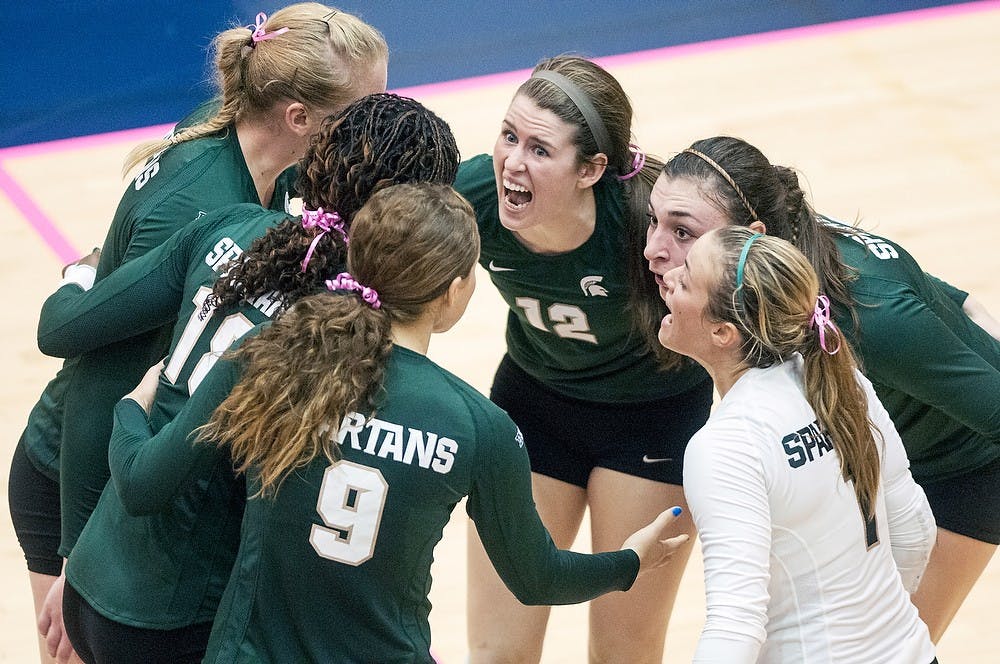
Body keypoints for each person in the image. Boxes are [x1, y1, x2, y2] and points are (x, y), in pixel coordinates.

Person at [103, 182, 691, 663]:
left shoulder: (271, 355)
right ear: (456, 291)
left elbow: (141, 484)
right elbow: (537, 579)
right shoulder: (479, 424)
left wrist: (130, 409)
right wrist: (630, 560)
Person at [10, 5, 388, 661]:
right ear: (299, 118)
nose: (375, 123)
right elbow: (101, 380)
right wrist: (80, 561)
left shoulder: (257, 151)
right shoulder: (201, 203)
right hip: (78, 470)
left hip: (140, 470)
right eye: (366, 108)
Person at [33, 93, 460, 664]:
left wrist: (77, 555)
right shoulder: (345, 328)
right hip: (185, 614)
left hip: (101, 573)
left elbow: (91, 363)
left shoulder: (233, 227)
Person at [644, 135, 1000, 643]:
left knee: (891, 641)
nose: (653, 249)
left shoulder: (867, 315)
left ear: (753, 234)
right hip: (889, 457)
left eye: (682, 232)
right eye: (654, 221)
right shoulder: (796, 264)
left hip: (966, 469)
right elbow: (964, 306)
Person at [453, 55, 711, 663]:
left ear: (591, 168)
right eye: (509, 136)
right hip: (532, 406)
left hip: (653, 418)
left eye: (540, 150)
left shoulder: (650, 224)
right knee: (496, 653)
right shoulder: (473, 196)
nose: (512, 161)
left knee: (622, 652)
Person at [658, 226, 936, 662]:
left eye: (687, 278)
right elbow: (915, 528)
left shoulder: (727, 445)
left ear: (723, 333)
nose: (669, 276)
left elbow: (735, 625)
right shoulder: (844, 384)